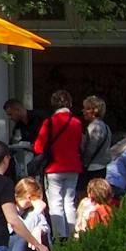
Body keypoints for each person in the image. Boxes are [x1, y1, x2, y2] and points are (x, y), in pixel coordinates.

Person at [32, 89, 84, 239]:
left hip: (54, 167)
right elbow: (79, 143)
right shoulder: (77, 123)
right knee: (69, 201)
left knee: (56, 203)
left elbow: (38, 147)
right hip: (73, 166)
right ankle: (73, 234)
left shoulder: (49, 123)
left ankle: (60, 236)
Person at [9, 177, 51, 251]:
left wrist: (38, 229)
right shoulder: (11, 206)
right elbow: (19, 230)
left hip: (30, 245)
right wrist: (36, 212)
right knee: (21, 238)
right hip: (10, 243)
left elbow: (46, 226)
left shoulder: (33, 209)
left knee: (44, 235)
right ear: (29, 197)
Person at [78, 96, 112, 197]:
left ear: (94, 111)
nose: (83, 111)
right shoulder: (105, 126)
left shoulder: (94, 127)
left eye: (86, 108)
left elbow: (90, 149)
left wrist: (83, 161)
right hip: (101, 165)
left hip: (93, 167)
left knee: (91, 195)